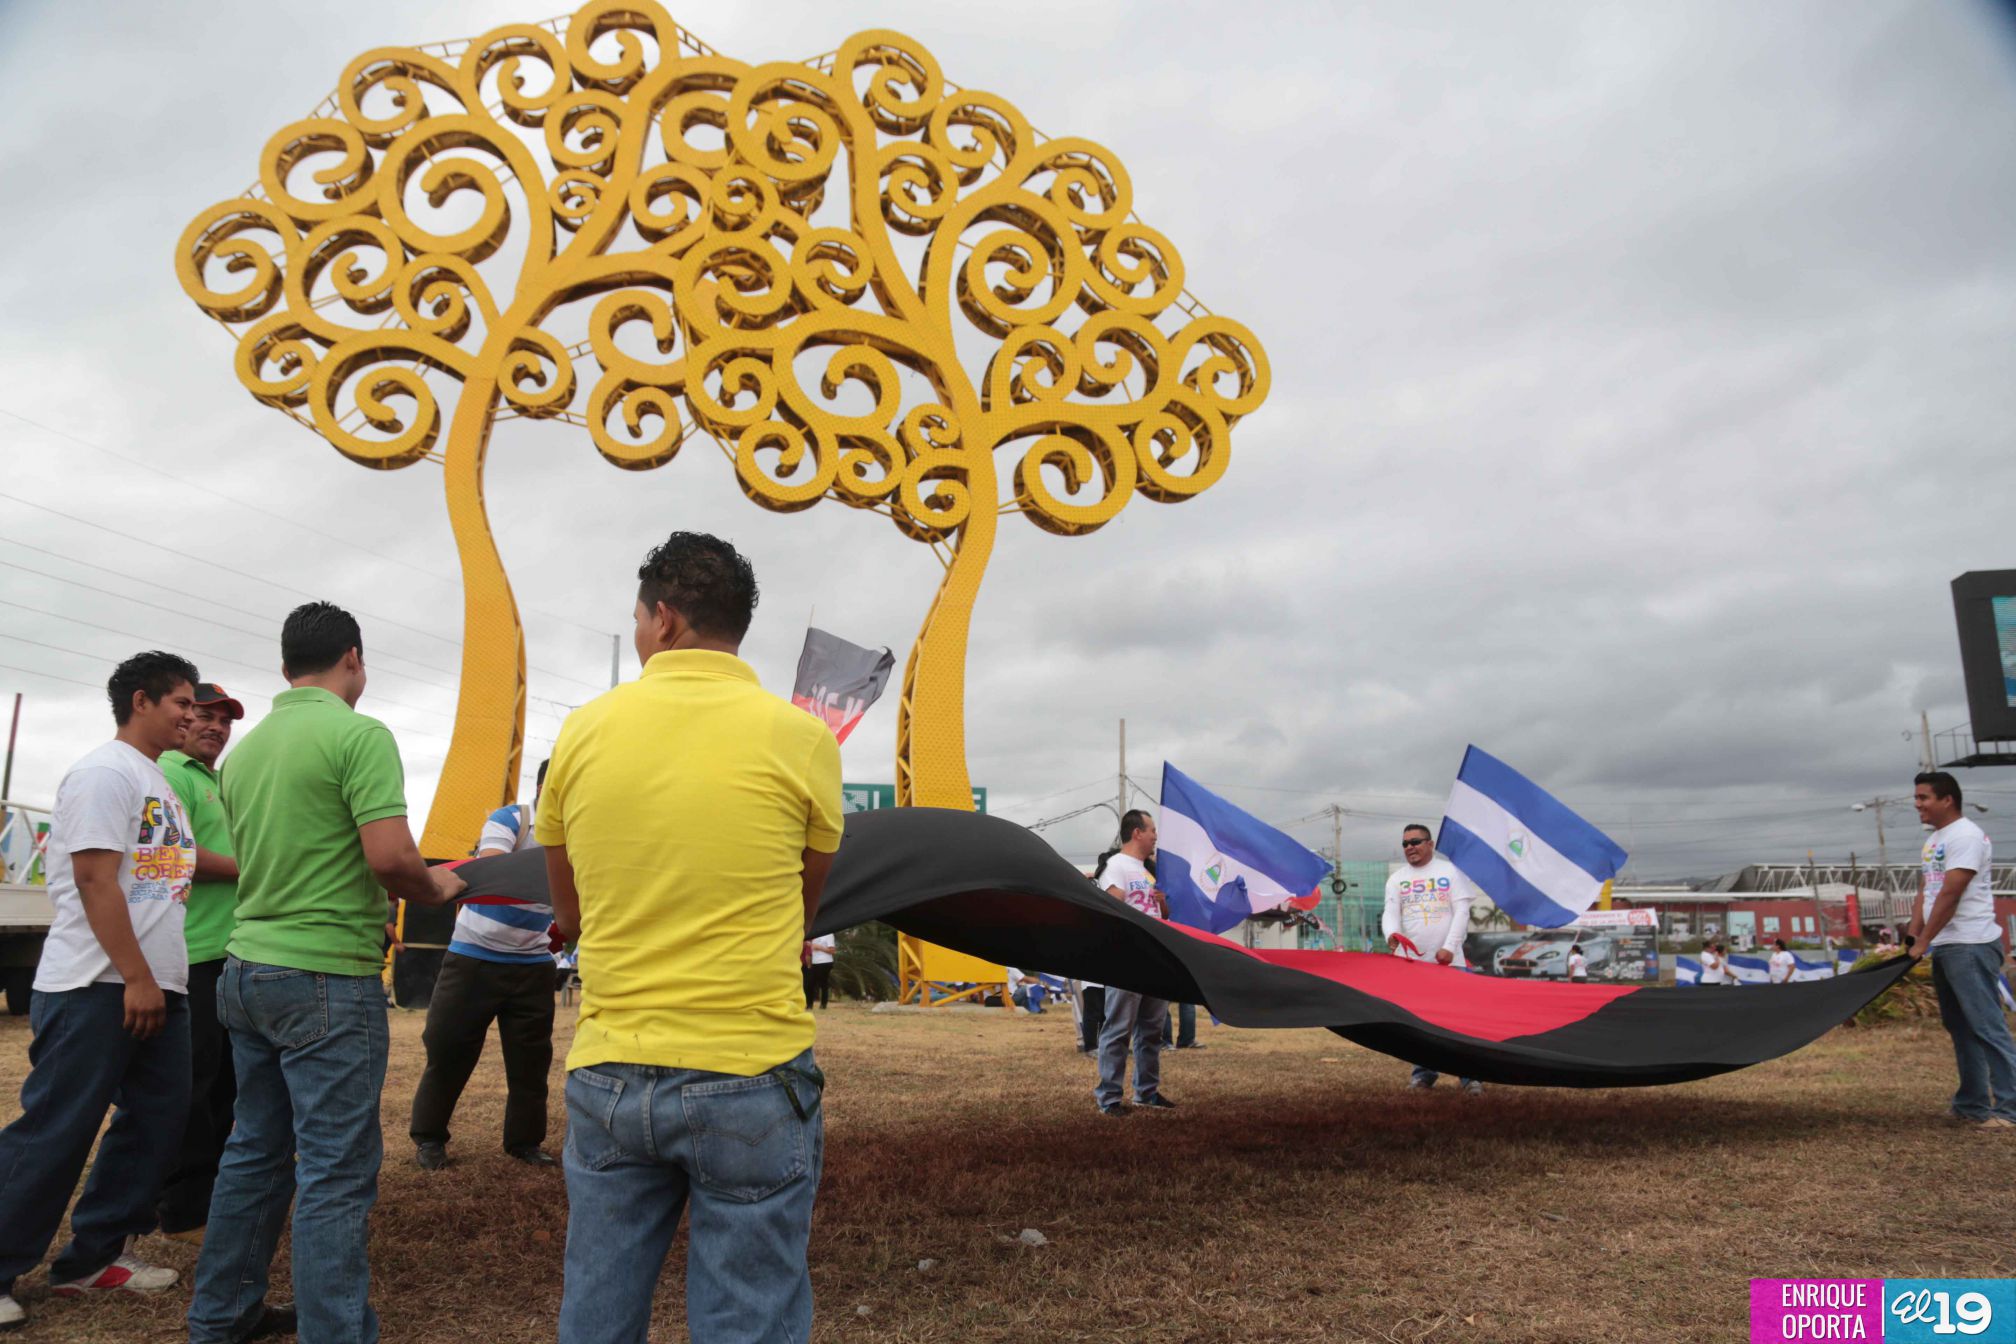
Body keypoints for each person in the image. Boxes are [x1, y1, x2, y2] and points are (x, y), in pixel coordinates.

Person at [538, 532, 843, 1344]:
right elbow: (803, 908)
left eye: (639, 618)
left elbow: (565, 900)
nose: (639, 633)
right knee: (749, 1314)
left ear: (665, 620)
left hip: (609, 1069)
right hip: (749, 1068)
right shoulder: (803, 738)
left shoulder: (583, 731)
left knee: (597, 1307)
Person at [186, 603, 465, 1344]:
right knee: (336, 1173)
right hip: (324, 980)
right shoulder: (359, 735)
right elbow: (389, 858)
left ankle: (220, 1317)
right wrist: (437, 888)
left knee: (254, 1151)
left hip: (244, 969)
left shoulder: (243, 754)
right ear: (354, 658)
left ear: (285, 669)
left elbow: (287, 861)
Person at [0, 653, 199, 1330]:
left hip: (156, 987)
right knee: (57, 1127)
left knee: (158, 1119)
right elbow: (93, 879)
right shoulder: (103, 772)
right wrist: (136, 977)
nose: (191, 714)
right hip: (97, 983)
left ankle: (93, 1257)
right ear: (140, 701)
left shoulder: (158, 781)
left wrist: (157, 981)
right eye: (181, 701)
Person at [409, 761, 560, 1172]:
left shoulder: (581, 834)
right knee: (448, 1053)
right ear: (546, 786)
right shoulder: (514, 819)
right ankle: (429, 1139)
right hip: (474, 957)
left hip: (533, 963)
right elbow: (491, 870)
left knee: (531, 1064)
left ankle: (525, 1143)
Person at [154, 682, 247, 1243]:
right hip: (189, 955)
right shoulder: (168, 772)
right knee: (190, 1087)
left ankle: (209, 1199)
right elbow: (175, 855)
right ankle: (181, 1209)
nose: (215, 726)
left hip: (227, 951)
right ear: (182, 717)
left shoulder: (217, 780)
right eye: (204, 715)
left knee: (224, 1086)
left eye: (225, 720)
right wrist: (254, 868)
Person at [1906, 771, 2016, 1128]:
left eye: (1924, 797)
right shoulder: (1937, 839)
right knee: (1960, 1026)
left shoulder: (1966, 836)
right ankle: (1971, 1103)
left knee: (1986, 1025)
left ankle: (2009, 1109)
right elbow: (1930, 889)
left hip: (1970, 943)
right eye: (1917, 797)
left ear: (1947, 799)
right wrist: (1912, 935)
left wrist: (1923, 942)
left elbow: (1952, 893)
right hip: (1947, 944)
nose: (1917, 804)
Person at [1383, 823, 1482, 1094]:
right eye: (1405, 844)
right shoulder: (1397, 878)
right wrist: (1391, 934)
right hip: (1413, 963)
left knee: (1460, 1019)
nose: (1409, 848)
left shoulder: (1450, 872)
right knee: (1419, 1022)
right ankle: (1424, 1074)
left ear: (1430, 844)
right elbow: (1390, 912)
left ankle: (1470, 1077)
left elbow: (1461, 913)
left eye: (1415, 842)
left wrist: (1449, 947)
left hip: (1451, 961)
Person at [1092, 809, 1176, 1117]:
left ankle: (1147, 1092)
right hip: (1128, 957)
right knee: (1118, 1029)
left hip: (1156, 955)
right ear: (1137, 832)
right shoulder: (1116, 866)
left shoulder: (1149, 870)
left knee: (1152, 1030)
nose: (1156, 835)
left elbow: (1162, 915)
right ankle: (1109, 1098)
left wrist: (1162, 900)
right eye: (1152, 829)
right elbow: (1112, 907)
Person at [804, 933, 837, 1009]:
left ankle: (823, 1004)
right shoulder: (815, 935)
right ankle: (809, 1004)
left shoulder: (829, 934)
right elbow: (813, 948)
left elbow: (832, 951)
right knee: (809, 984)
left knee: (823, 984)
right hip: (815, 962)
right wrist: (810, 944)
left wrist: (819, 947)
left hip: (825, 962)